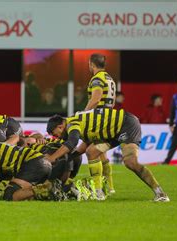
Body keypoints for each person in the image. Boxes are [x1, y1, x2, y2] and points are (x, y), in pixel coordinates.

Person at [45, 109, 170, 202]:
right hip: (112, 133)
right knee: (92, 152)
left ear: (60, 126)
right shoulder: (78, 124)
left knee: (130, 162)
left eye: (55, 134)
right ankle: (99, 193)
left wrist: (53, 157)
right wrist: (67, 157)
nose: (57, 137)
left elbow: (71, 143)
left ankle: (161, 194)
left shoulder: (72, 124)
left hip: (126, 125)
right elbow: (83, 147)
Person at [82, 53, 117, 195]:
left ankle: (98, 190)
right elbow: (112, 102)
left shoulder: (97, 79)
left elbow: (96, 99)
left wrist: (84, 112)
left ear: (91, 64)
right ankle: (110, 187)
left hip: (99, 120)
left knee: (92, 152)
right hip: (108, 118)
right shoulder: (110, 78)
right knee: (101, 153)